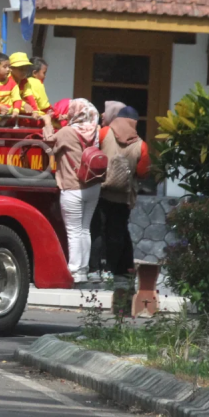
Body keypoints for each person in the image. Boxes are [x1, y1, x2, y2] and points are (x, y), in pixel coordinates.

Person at [41, 99, 102, 283]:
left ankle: (74, 271)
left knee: (74, 231)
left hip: (72, 186)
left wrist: (47, 122)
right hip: (93, 186)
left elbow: (48, 144)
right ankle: (82, 270)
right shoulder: (95, 131)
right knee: (85, 230)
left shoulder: (67, 132)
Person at [88, 106, 151, 284]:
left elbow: (92, 155)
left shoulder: (104, 133)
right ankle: (110, 270)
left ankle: (94, 269)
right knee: (116, 233)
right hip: (123, 197)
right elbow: (143, 172)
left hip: (100, 192)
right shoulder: (141, 145)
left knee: (97, 230)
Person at [0, 52, 22, 123]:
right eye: (5, 67)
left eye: (9, 67)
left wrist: (16, 110)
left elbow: (17, 99)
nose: (8, 69)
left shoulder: (12, 83)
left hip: (8, 116)